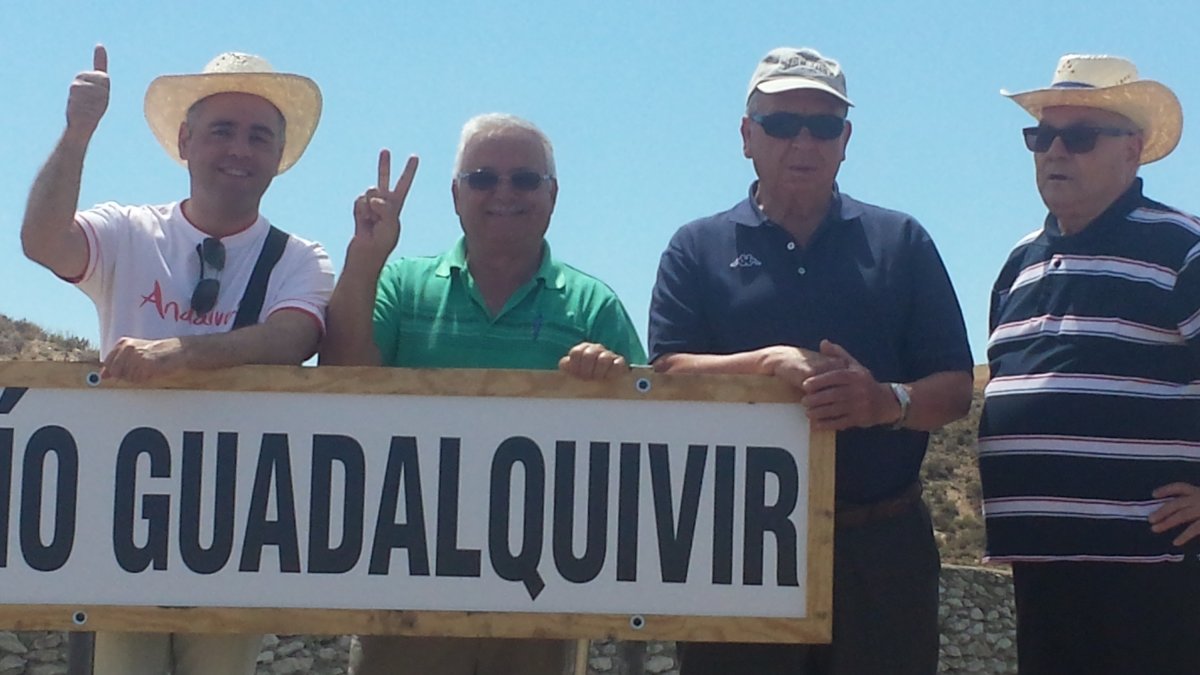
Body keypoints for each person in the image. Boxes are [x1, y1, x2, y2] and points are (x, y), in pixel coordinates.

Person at [647, 47, 974, 675]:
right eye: (781, 124)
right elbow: (666, 377)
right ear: (747, 136)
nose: (804, 142)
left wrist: (886, 402)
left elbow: (956, 388)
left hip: (881, 549)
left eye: (823, 126)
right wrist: (768, 363)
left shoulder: (902, 242)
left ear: (845, 140)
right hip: (734, 550)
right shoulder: (695, 248)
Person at [20, 46, 333, 675]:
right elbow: (43, 241)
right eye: (222, 131)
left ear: (278, 154)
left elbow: (293, 338)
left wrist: (180, 355)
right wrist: (77, 133)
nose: (239, 149)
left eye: (258, 136)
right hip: (118, 528)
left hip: (236, 532)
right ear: (186, 142)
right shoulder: (128, 231)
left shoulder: (300, 259)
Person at [320, 112, 646, 675]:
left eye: (525, 179)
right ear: (455, 195)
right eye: (483, 178)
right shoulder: (401, 285)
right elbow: (341, 377)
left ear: (552, 195)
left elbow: (647, 436)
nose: (504, 193)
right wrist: (366, 256)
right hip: (406, 590)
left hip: (542, 598)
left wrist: (613, 383)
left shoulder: (594, 307)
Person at [979, 54, 1200, 674]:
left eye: (1078, 137)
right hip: (1043, 573)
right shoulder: (1018, 264)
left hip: (1157, 577)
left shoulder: (1183, 249)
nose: (1055, 152)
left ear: (1131, 150)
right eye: (1041, 136)